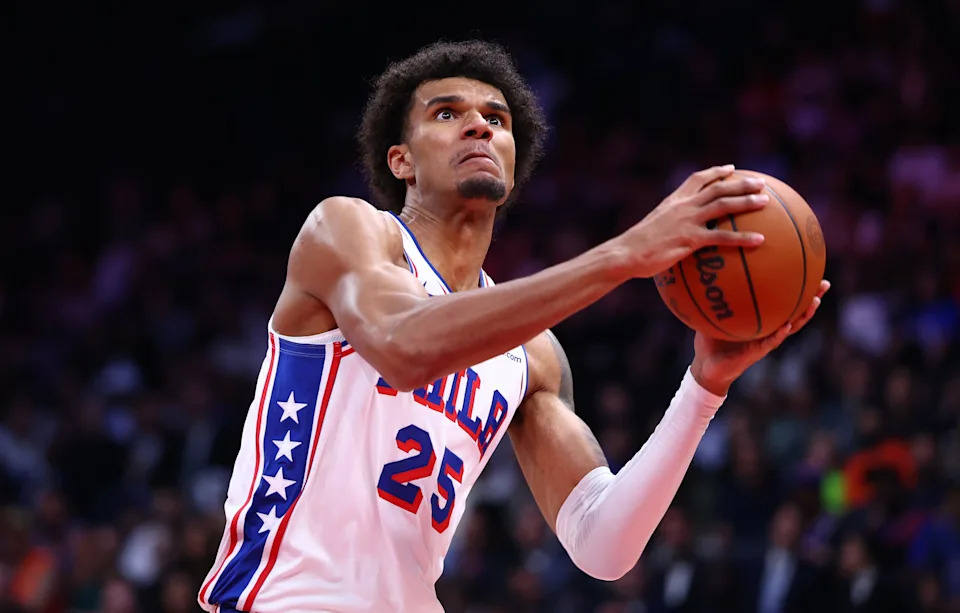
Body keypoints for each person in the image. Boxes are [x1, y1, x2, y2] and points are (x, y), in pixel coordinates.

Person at [197, 39, 830, 613]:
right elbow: (404, 346)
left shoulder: (532, 353)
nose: (478, 123)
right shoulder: (349, 231)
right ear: (401, 161)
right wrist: (624, 254)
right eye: (446, 114)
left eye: (496, 120)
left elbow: (602, 546)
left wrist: (704, 387)